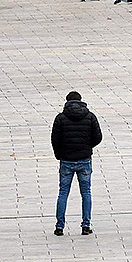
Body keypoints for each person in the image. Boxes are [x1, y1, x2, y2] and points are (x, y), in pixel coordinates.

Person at [50, 91, 103, 236]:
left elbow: (55, 139)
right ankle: (86, 225)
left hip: (66, 160)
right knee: (86, 192)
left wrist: (59, 154)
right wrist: (87, 147)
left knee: (63, 193)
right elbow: (98, 137)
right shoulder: (90, 116)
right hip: (84, 159)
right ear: (80, 101)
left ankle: (59, 226)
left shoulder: (60, 118)